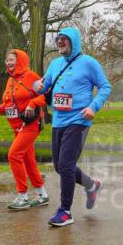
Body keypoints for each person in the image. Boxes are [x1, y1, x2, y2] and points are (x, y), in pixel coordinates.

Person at [33, 28, 111, 227]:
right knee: (60, 167)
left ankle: (65, 211)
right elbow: (45, 83)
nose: (60, 43)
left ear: (73, 42)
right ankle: (92, 186)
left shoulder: (89, 63)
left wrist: (93, 107)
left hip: (79, 119)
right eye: (58, 40)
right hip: (58, 119)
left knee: (66, 165)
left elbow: (105, 86)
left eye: (64, 40)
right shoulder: (55, 63)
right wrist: (38, 86)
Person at [0, 49, 49, 211]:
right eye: (7, 60)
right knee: (28, 160)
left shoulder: (31, 76)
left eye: (12, 60)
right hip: (17, 127)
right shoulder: (10, 80)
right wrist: (0, 108)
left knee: (14, 155)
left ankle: (23, 196)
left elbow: (47, 94)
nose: (9, 63)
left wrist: (33, 104)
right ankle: (42, 194)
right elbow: (11, 103)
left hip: (31, 124)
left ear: (21, 61)